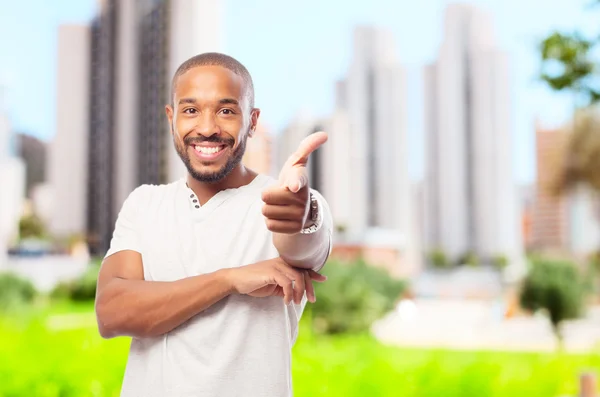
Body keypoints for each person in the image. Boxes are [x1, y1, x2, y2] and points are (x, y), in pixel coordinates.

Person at [94, 52, 333, 397]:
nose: (207, 128)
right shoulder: (145, 204)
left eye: (226, 111)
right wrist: (229, 279)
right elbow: (112, 312)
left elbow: (301, 242)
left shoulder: (286, 202)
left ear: (252, 121)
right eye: (191, 110)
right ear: (171, 117)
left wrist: (301, 215)